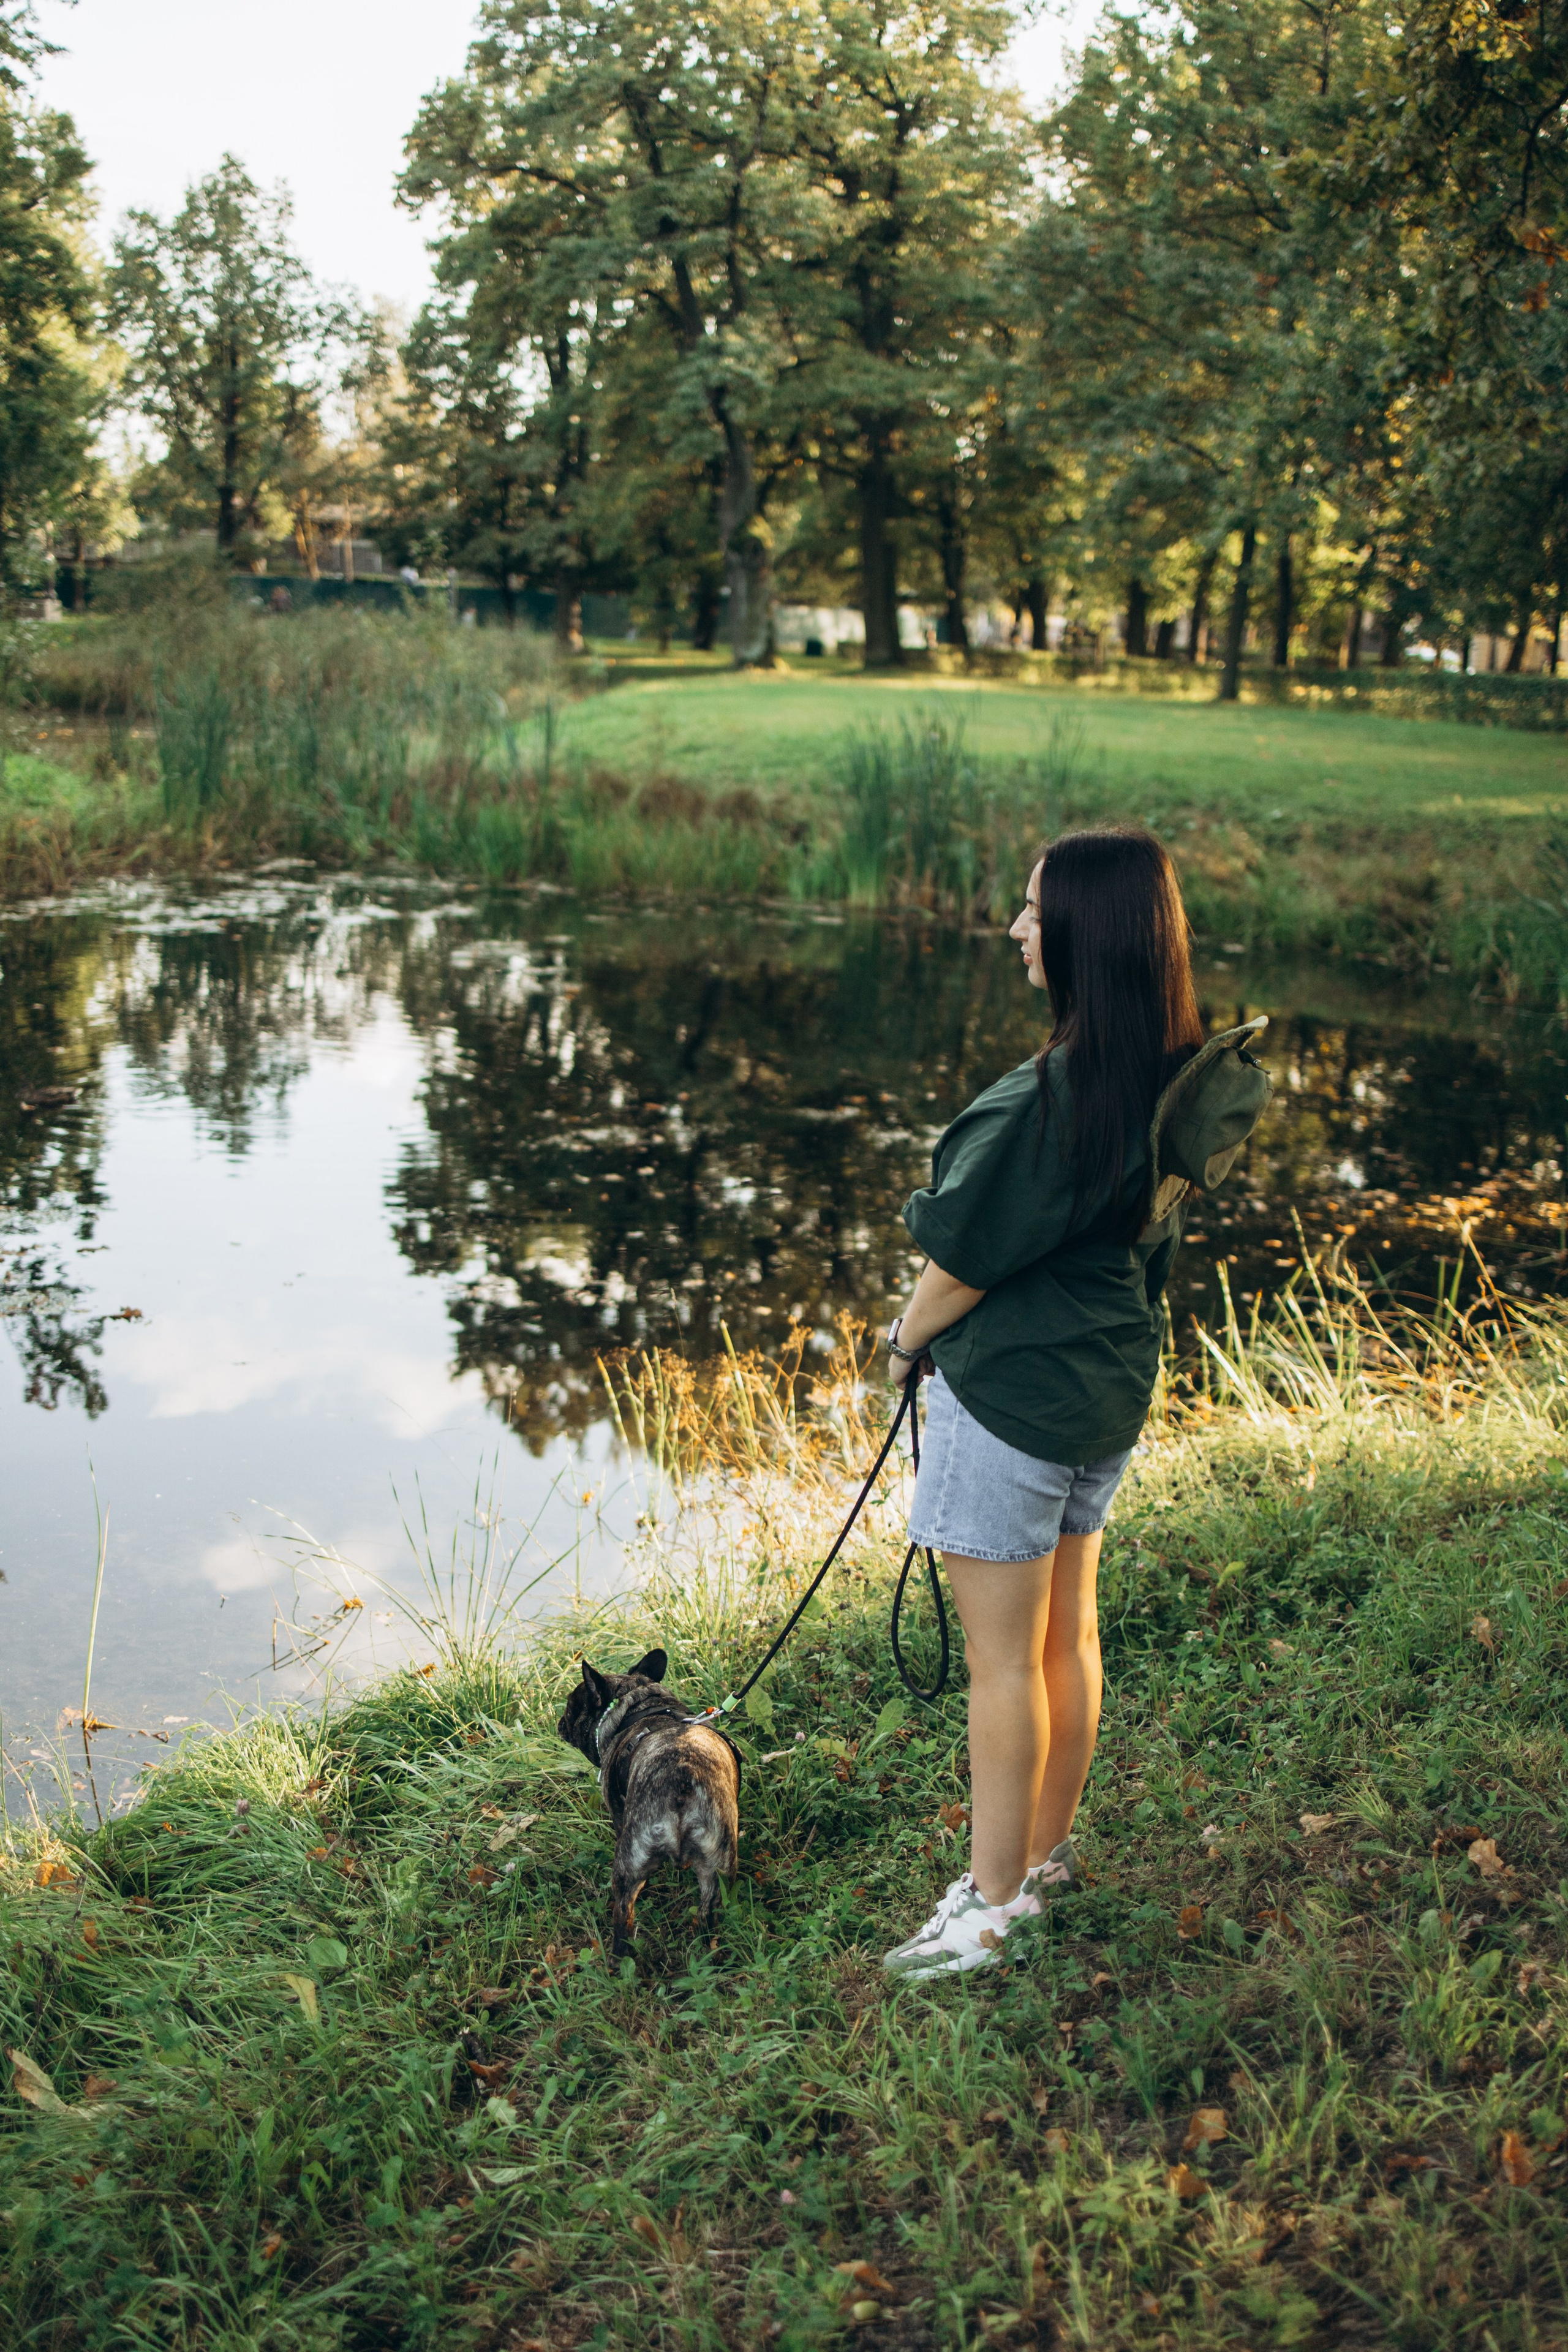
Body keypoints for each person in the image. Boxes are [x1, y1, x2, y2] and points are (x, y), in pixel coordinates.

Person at [881, 829, 1272, 1980]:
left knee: (1004, 1664)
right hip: (1106, 1389)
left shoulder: (1045, 1102)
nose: (1016, 928)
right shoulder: (1170, 1076)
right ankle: (1041, 1864)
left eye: (1034, 910)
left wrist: (901, 1345)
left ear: (1086, 938)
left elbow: (961, 1262)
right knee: (1071, 1636)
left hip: (1014, 1401)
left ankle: (993, 1903)